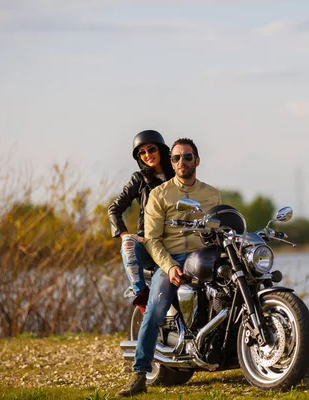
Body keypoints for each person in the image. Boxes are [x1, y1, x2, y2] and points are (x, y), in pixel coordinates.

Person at [118, 138, 221, 397]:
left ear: (197, 160)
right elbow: (152, 239)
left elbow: (218, 230)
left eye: (187, 157)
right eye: (176, 158)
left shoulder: (212, 194)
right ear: (171, 162)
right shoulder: (160, 194)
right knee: (154, 310)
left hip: (202, 257)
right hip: (171, 258)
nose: (181, 162)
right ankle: (140, 374)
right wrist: (170, 266)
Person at [108, 129, 175, 314]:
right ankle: (143, 303)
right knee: (129, 244)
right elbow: (114, 209)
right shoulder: (139, 179)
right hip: (150, 244)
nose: (148, 155)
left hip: (177, 241)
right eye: (142, 153)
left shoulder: (178, 176)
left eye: (151, 149)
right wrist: (123, 233)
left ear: (161, 149)